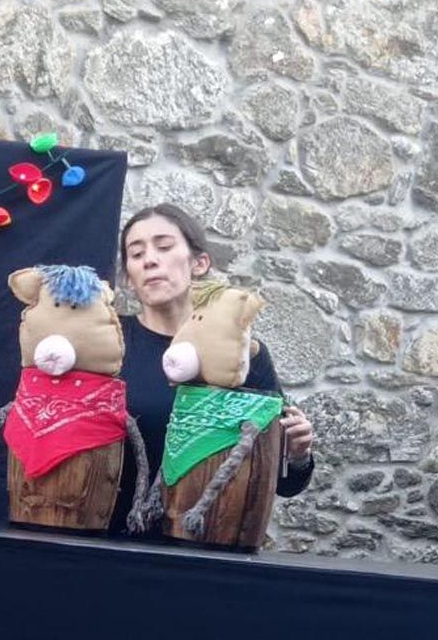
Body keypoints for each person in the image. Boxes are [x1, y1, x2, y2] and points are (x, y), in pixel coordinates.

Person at [108, 203, 314, 536]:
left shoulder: (244, 354)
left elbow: (284, 483)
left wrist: (297, 454)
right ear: (128, 278)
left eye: (164, 246)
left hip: (205, 542)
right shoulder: (109, 343)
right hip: (111, 542)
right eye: (136, 253)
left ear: (199, 263)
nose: (149, 260)